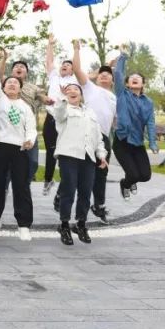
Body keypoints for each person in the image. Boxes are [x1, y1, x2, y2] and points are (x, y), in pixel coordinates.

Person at [0, 48, 38, 242]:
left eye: (16, 83)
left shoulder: (25, 108)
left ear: (20, 88)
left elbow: (31, 128)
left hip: (19, 149)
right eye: (9, 82)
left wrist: (30, 140)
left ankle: (24, 225)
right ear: (4, 87)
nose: (12, 84)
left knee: (21, 186)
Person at [50, 82, 107, 245]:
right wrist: (62, 98)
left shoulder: (90, 112)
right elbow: (58, 114)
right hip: (68, 155)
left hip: (88, 157)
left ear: (81, 95)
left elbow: (98, 137)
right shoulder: (63, 108)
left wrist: (101, 155)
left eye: (76, 89)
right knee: (68, 190)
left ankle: (81, 224)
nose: (72, 91)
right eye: (68, 90)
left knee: (85, 192)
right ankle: (64, 225)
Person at [71, 40, 116, 224]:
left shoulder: (114, 97)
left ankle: (99, 205)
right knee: (82, 173)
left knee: (102, 173)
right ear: (96, 78)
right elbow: (76, 69)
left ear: (112, 80)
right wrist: (76, 50)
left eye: (108, 74)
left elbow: (113, 120)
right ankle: (73, 208)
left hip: (103, 138)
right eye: (101, 74)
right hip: (86, 134)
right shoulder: (90, 88)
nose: (104, 75)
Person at [113, 43, 158, 201]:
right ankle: (125, 183)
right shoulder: (121, 94)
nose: (134, 78)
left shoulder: (148, 102)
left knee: (145, 176)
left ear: (143, 84)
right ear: (127, 84)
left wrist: (152, 143)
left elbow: (150, 123)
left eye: (138, 78)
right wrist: (123, 57)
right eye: (131, 78)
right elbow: (118, 73)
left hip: (137, 143)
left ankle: (130, 181)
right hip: (122, 140)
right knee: (133, 174)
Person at [43, 35, 77, 195]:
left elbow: (85, 71)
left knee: (64, 153)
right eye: (63, 64)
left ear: (73, 70)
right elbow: (49, 62)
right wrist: (50, 45)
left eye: (68, 65)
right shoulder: (54, 76)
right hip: (51, 117)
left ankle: (65, 187)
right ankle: (48, 179)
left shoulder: (75, 79)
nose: (65, 65)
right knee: (50, 150)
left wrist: (76, 50)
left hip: (66, 119)